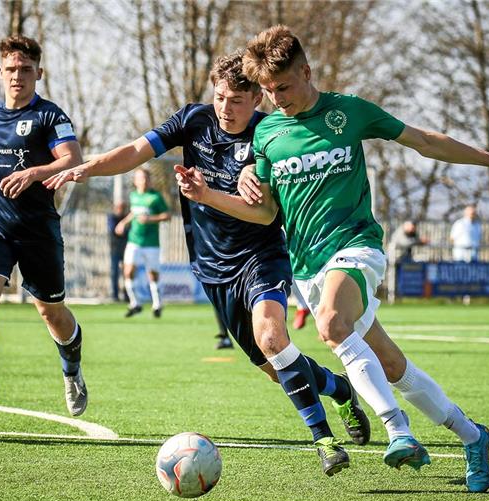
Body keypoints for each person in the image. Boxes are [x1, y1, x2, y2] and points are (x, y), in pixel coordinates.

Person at [177, 25, 489, 492]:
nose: (276, 99)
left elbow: (425, 141)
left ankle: (399, 430)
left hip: (357, 247)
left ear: (307, 72)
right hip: (309, 267)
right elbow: (266, 210)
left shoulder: (347, 112)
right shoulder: (268, 131)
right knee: (391, 364)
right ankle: (473, 436)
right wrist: (207, 194)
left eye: (283, 87)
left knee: (331, 325)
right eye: (268, 92)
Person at [45, 51, 371, 476]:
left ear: (257, 98)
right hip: (212, 268)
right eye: (220, 97)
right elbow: (135, 150)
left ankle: (323, 439)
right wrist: (89, 168)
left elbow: (267, 210)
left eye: (237, 100)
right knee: (275, 366)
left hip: (261, 256)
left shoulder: (269, 134)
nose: (225, 109)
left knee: (273, 338)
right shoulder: (192, 120)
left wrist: (233, 182)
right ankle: (338, 387)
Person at [0, 35, 87, 427]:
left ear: (39, 73)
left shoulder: (50, 116)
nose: (17, 76)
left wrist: (33, 173)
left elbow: (72, 158)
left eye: (26, 70)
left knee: (51, 313)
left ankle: (72, 369)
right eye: (11, 69)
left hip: (37, 230)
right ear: (0, 72)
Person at [115, 169, 169, 318]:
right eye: (140, 178)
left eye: (146, 178)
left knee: (152, 274)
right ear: (135, 181)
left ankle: (157, 304)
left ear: (149, 180)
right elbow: (134, 212)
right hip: (134, 240)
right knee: (127, 271)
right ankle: (135, 303)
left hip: (151, 242)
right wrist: (123, 223)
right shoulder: (133, 196)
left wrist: (150, 219)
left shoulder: (155, 197)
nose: (143, 180)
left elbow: (167, 215)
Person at [107, 201, 129, 302]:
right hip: (115, 249)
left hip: (126, 249)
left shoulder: (127, 218)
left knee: (127, 273)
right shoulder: (112, 218)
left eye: (122, 208)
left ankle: (126, 295)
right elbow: (114, 230)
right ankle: (115, 295)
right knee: (114, 272)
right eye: (118, 208)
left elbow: (128, 230)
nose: (120, 210)